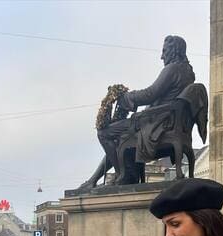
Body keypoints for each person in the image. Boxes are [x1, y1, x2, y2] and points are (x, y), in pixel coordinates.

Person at [82, 35, 196, 187]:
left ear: (173, 50)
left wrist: (126, 97)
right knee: (119, 136)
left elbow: (151, 94)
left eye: (164, 51)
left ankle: (121, 175)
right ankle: (96, 180)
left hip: (158, 124)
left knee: (104, 133)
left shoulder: (172, 69)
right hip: (167, 121)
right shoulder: (188, 72)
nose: (162, 56)